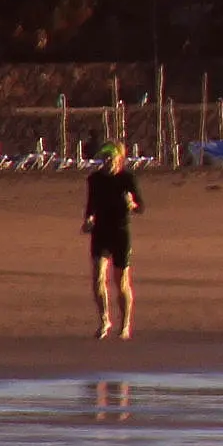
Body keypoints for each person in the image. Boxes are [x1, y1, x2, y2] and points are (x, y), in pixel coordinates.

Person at [82, 139, 144, 340]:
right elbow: (91, 205)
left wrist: (132, 204)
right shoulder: (94, 179)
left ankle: (125, 325)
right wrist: (88, 220)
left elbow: (141, 207)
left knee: (121, 281)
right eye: (104, 156)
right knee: (98, 279)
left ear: (119, 158)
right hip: (101, 232)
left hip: (120, 232)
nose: (107, 160)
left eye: (111, 156)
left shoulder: (127, 178)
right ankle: (104, 320)